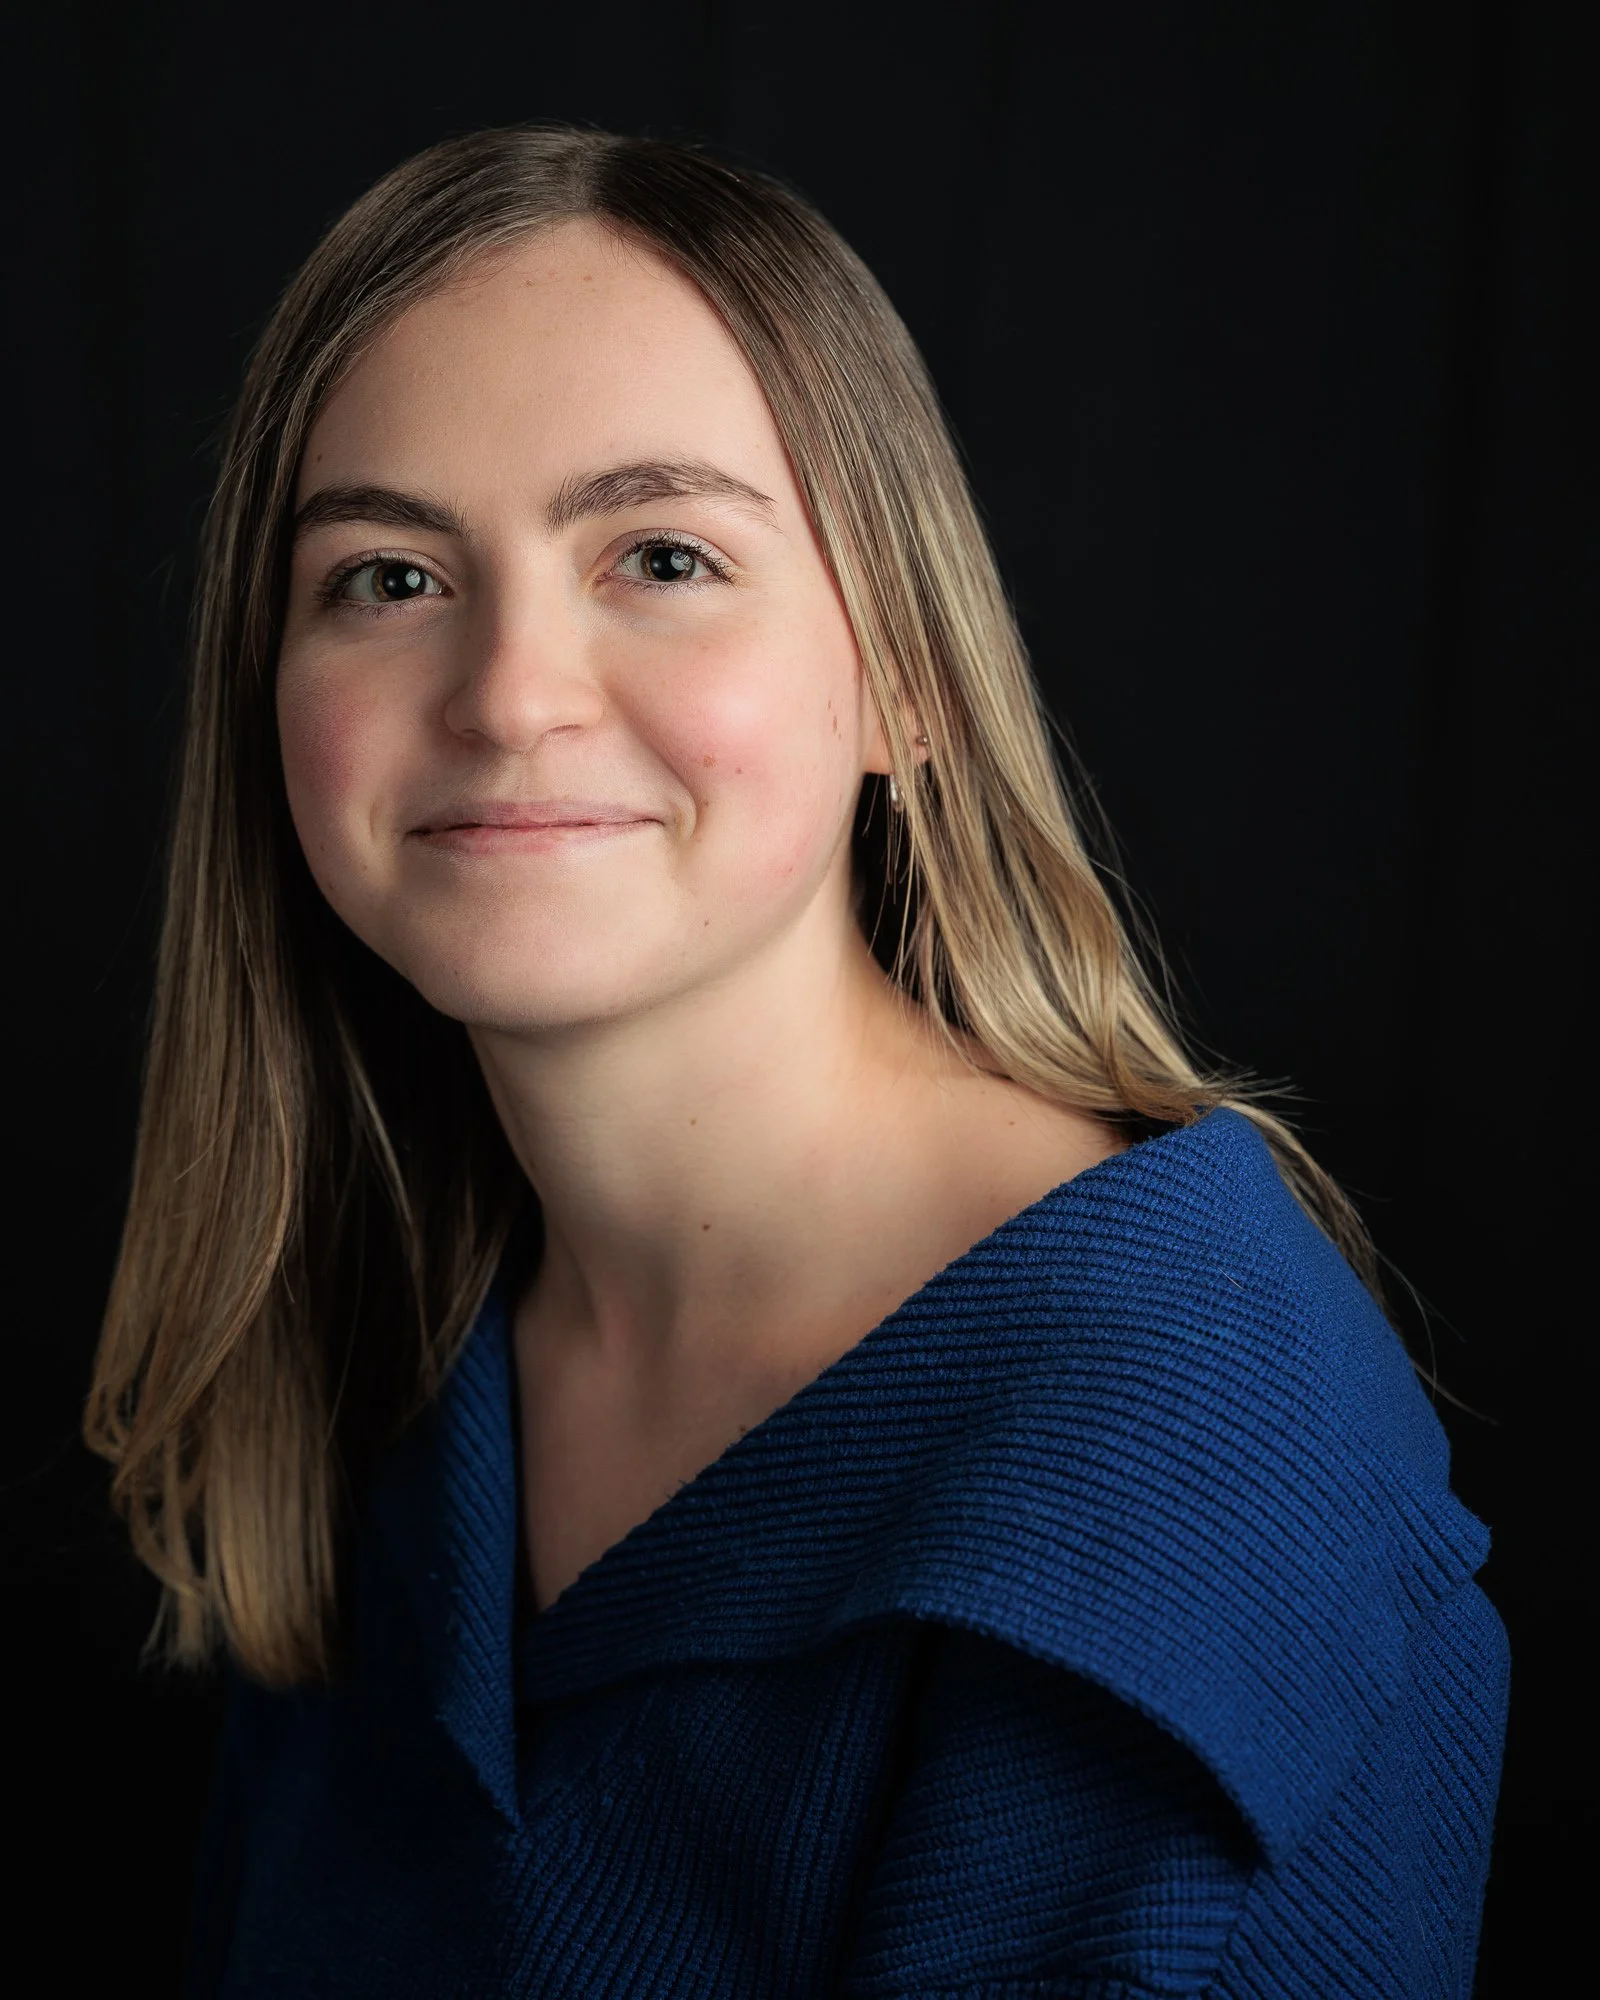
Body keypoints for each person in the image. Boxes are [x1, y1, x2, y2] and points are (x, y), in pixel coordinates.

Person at [86, 126, 1507, 1998]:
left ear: (907, 675)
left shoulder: (1189, 1481)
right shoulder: (399, 1360)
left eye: (661, 555)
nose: (511, 691)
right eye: (388, 577)